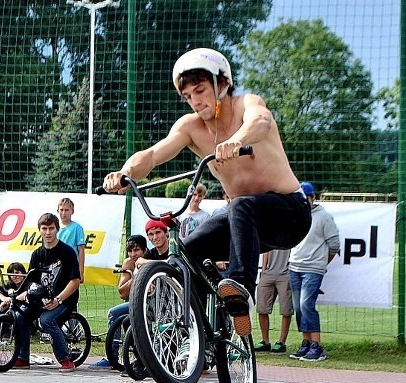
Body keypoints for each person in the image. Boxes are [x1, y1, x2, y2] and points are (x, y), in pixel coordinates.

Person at [102, 47, 311, 338]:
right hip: (247, 224)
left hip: (290, 214)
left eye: (200, 90)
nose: (195, 101)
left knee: (239, 205)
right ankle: (201, 333)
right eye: (188, 96)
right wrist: (124, 174)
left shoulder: (245, 105)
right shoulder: (190, 127)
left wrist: (236, 140)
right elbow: (151, 155)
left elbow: (260, 121)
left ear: (222, 84)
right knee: (186, 252)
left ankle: (240, 291)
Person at [13, 213, 80, 372]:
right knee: (18, 315)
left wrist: (57, 299)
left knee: (46, 320)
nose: (48, 232)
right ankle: (23, 358)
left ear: (57, 229)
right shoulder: (37, 254)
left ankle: (66, 359)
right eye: (44, 228)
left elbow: (75, 281)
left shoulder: (67, 252)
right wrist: (18, 298)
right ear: (40, 230)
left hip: (65, 300)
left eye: (51, 228)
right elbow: (31, 282)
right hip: (42, 300)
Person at [288, 182, 340, 362]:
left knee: (305, 305)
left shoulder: (324, 217)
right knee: (298, 307)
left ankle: (317, 346)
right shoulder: (296, 216)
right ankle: (306, 342)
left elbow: (334, 245)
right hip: (294, 266)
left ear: (313, 198)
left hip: (313, 269)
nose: (303, 202)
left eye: (306, 199)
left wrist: (321, 264)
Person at [89, 234, 148, 369]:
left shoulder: (148, 259)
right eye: (130, 251)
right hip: (134, 303)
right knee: (114, 313)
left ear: (144, 250)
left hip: (150, 302)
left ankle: (142, 356)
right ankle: (112, 356)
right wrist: (135, 277)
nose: (133, 254)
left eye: (137, 250)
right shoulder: (128, 263)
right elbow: (122, 292)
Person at [254, 249, 292, 353]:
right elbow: (266, 250)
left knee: (286, 309)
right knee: (262, 308)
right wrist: (264, 269)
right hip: (268, 273)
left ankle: (281, 342)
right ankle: (265, 341)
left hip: (286, 274)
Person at [57, 197, 86, 282]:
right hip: (56, 266)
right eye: (61, 210)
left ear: (72, 211)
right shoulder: (53, 227)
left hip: (71, 266)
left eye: (67, 210)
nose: (64, 213)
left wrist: (81, 271)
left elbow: (81, 250)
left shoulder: (77, 228)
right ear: (58, 211)